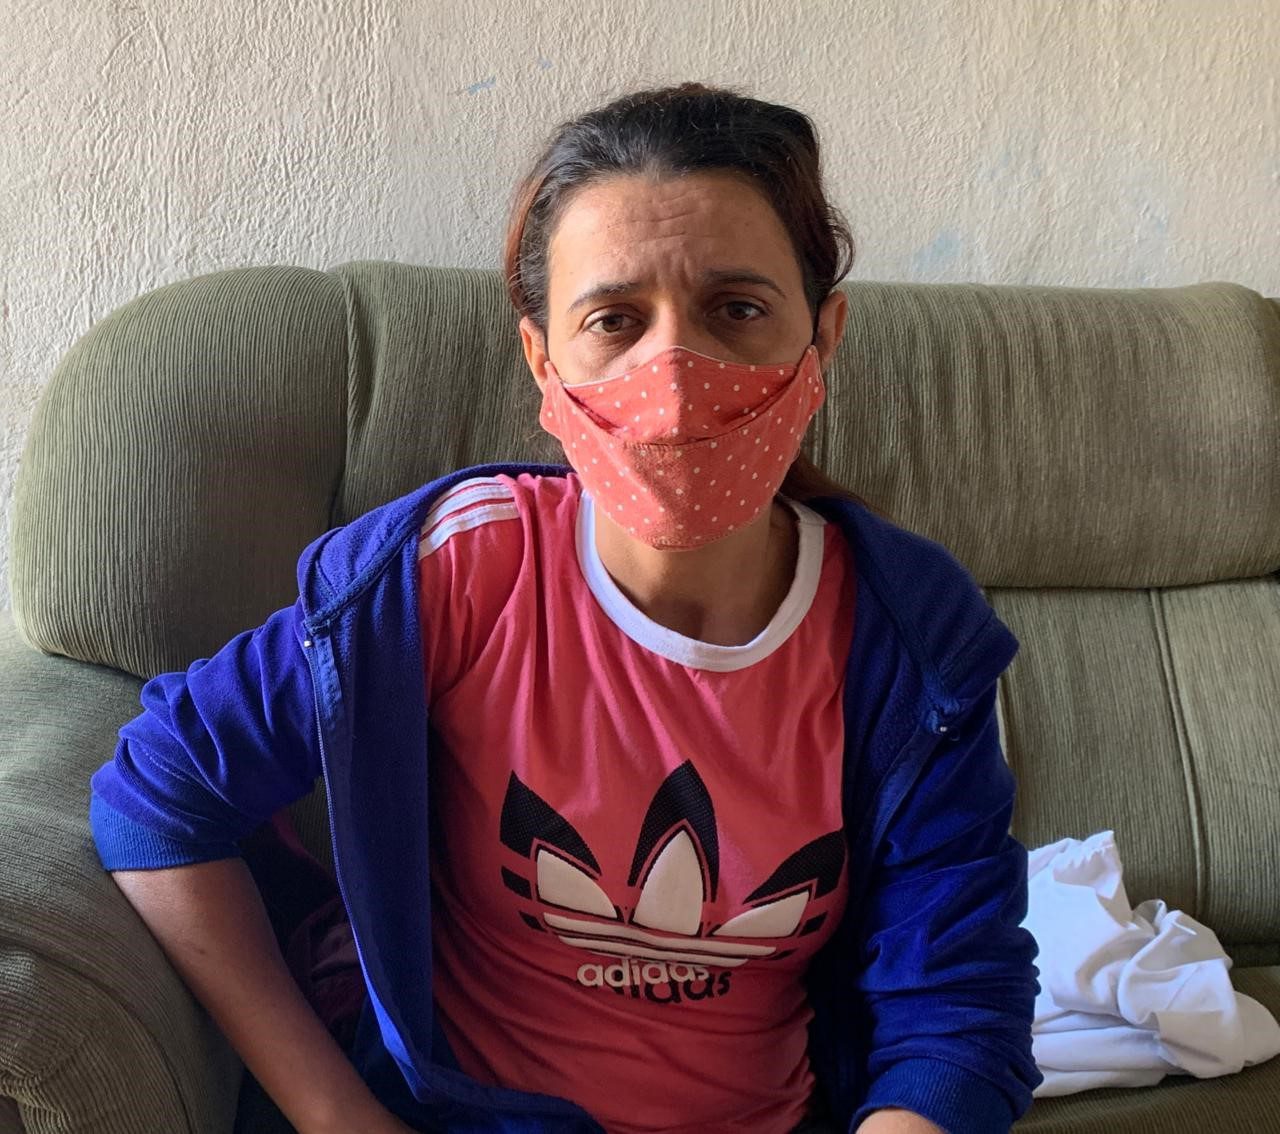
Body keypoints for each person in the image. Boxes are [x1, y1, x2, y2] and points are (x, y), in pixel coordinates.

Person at [88, 82, 1043, 1134]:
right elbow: (159, 796)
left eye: (736, 309)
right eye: (613, 321)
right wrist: (335, 1115)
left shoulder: (908, 634)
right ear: (541, 359)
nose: (673, 376)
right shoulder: (454, 570)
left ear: (823, 336)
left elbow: (956, 1008)